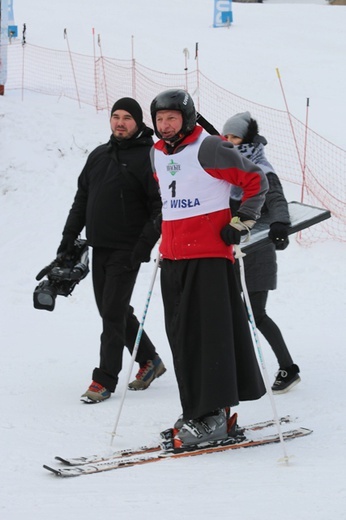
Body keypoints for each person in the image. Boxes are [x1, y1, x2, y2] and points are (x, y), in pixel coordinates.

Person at [150, 89, 268, 448]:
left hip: (209, 258)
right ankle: (197, 410)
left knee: (210, 338)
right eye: (160, 119)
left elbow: (255, 181)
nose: (166, 125)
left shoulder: (209, 147)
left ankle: (215, 413)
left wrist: (242, 220)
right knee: (183, 338)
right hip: (173, 258)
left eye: (172, 118)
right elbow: (171, 198)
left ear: (186, 118)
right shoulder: (155, 153)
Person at [57, 97, 166, 403]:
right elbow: (82, 198)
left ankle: (103, 380)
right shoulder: (99, 155)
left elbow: (159, 208)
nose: (120, 122)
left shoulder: (150, 156)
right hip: (100, 247)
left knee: (112, 315)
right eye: (115, 116)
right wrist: (69, 236)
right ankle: (150, 360)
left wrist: (142, 247)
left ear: (138, 122)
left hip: (127, 249)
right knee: (111, 311)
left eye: (126, 118)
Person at [222, 111, 301, 394]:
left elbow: (277, 199)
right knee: (231, 312)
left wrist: (280, 223)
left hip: (258, 251)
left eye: (235, 137)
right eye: (226, 136)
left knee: (256, 313)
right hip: (233, 252)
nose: (229, 141)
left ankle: (288, 368)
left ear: (248, 140)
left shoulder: (262, 170)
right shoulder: (228, 170)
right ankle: (235, 368)